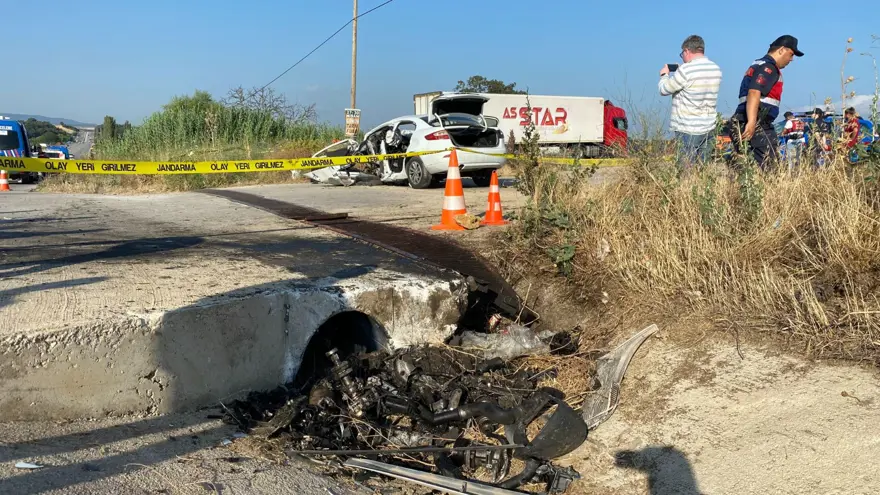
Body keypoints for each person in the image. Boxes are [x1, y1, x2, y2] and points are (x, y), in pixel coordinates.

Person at [729, 35, 804, 171]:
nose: (791, 59)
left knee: (746, 170)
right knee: (770, 169)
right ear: (781, 50)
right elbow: (754, 91)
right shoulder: (769, 68)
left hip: (742, 120)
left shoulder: (757, 64)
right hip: (758, 124)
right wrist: (752, 122)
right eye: (791, 54)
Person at [658, 35, 723, 171]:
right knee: (703, 169)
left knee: (685, 170)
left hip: (687, 128)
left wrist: (664, 75)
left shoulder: (685, 70)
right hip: (709, 127)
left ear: (687, 51)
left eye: (682, 54)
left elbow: (664, 89)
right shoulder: (715, 69)